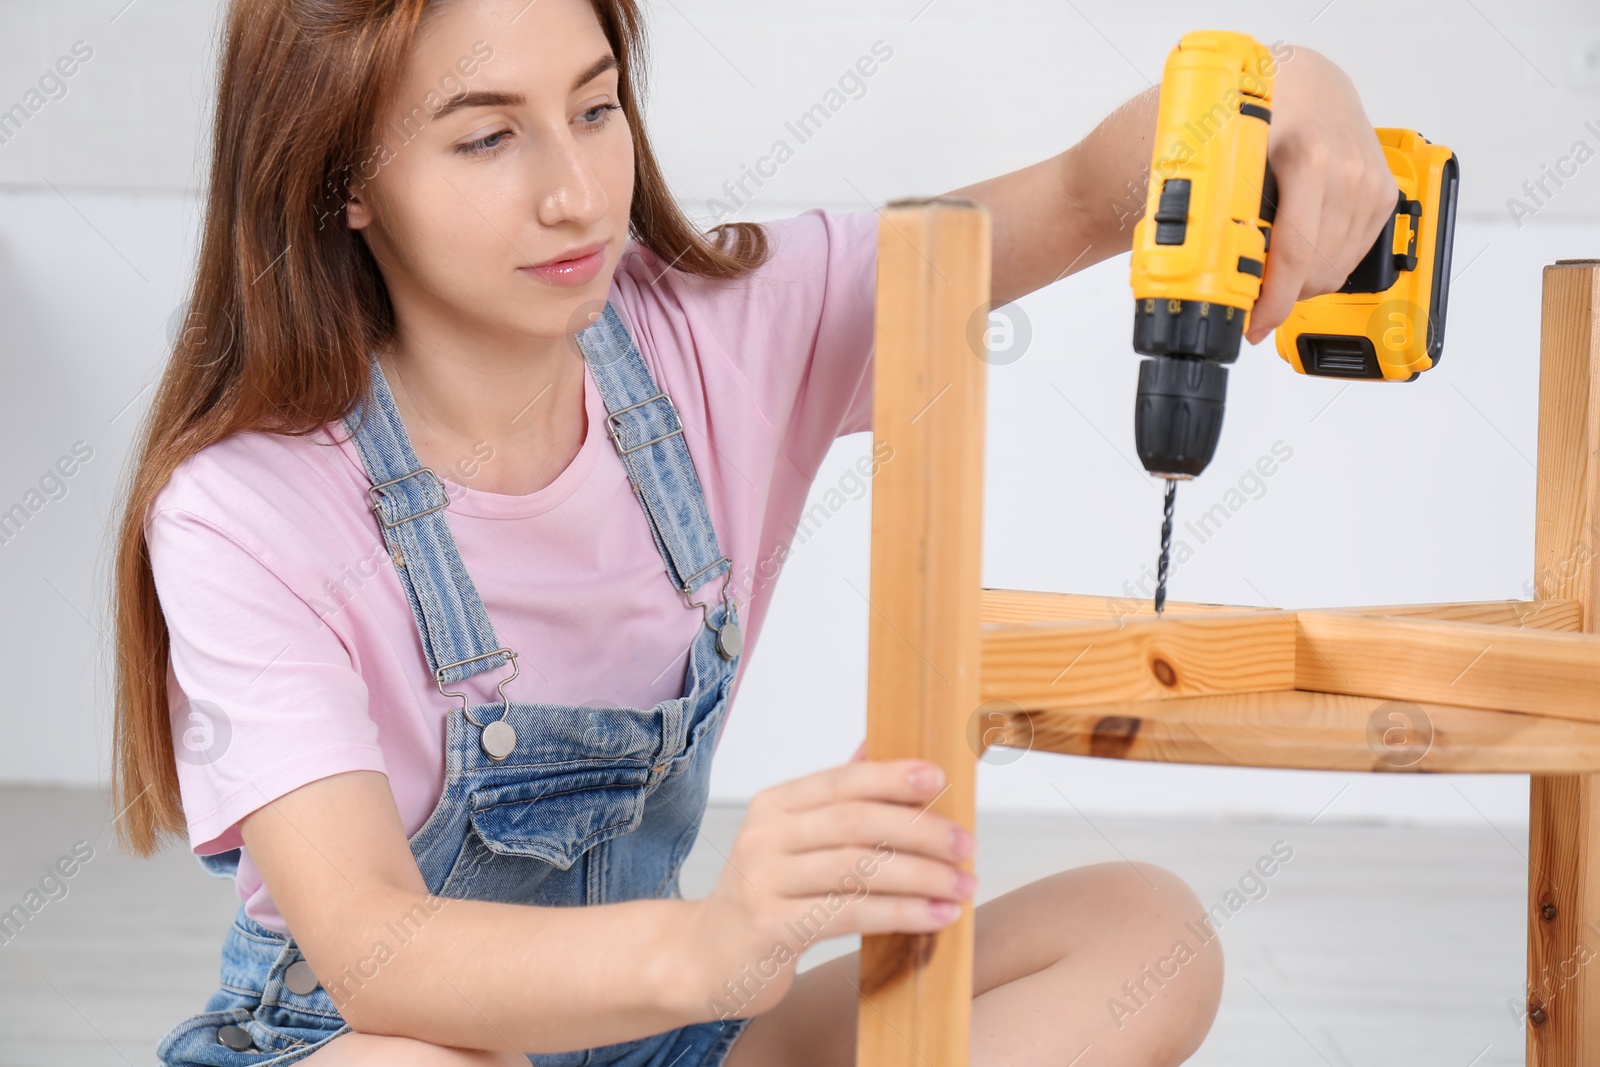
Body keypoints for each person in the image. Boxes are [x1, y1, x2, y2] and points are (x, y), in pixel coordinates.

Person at [107, 1, 1399, 1063]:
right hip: (376, 1038)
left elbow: (1082, 191)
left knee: (1140, 930)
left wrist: (1286, 90)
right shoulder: (247, 508)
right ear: (342, 183)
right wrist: (718, 941)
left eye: (597, 107)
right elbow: (372, 946)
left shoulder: (721, 329)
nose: (575, 192)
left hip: (664, 1033)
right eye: (487, 139)